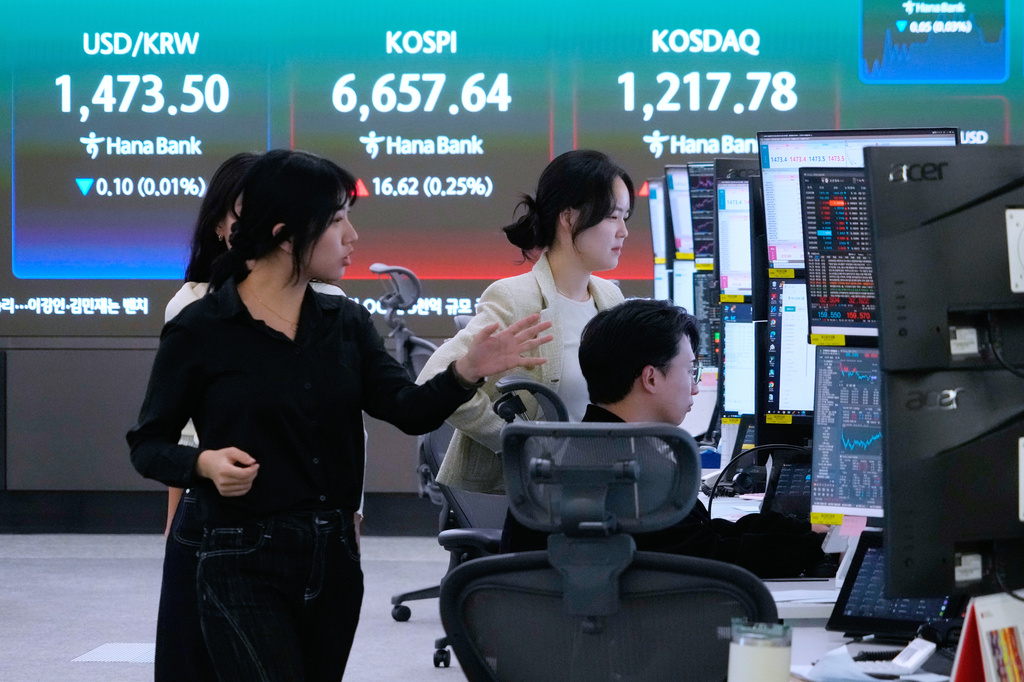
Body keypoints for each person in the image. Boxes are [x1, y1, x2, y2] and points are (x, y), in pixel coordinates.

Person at [127, 149, 553, 681]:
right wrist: (203, 465)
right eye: (336, 221)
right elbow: (148, 444)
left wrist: (467, 370)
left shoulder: (345, 321)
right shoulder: (201, 329)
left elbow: (408, 409)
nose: (352, 236)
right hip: (239, 553)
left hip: (331, 558)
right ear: (285, 234)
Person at [503, 298, 829, 579]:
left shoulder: (568, 458)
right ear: (651, 378)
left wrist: (803, 532)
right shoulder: (635, 475)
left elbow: (702, 535)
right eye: (690, 371)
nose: (696, 386)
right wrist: (815, 546)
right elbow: (710, 556)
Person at [417, 149, 634, 493]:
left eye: (625, 217)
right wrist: (514, 440)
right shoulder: (516, 298)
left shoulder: (611, 298)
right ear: (569, 218)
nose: (623, 231)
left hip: (592, 487)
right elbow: (433, 379)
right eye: (612, 217)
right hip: (521, 499)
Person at [156, 151, 259, 682]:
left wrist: (352, 513)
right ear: (221, 223)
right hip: (211, 506)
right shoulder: (193, 304)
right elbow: (176, 431)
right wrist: (175, 528)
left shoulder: (327, 303)